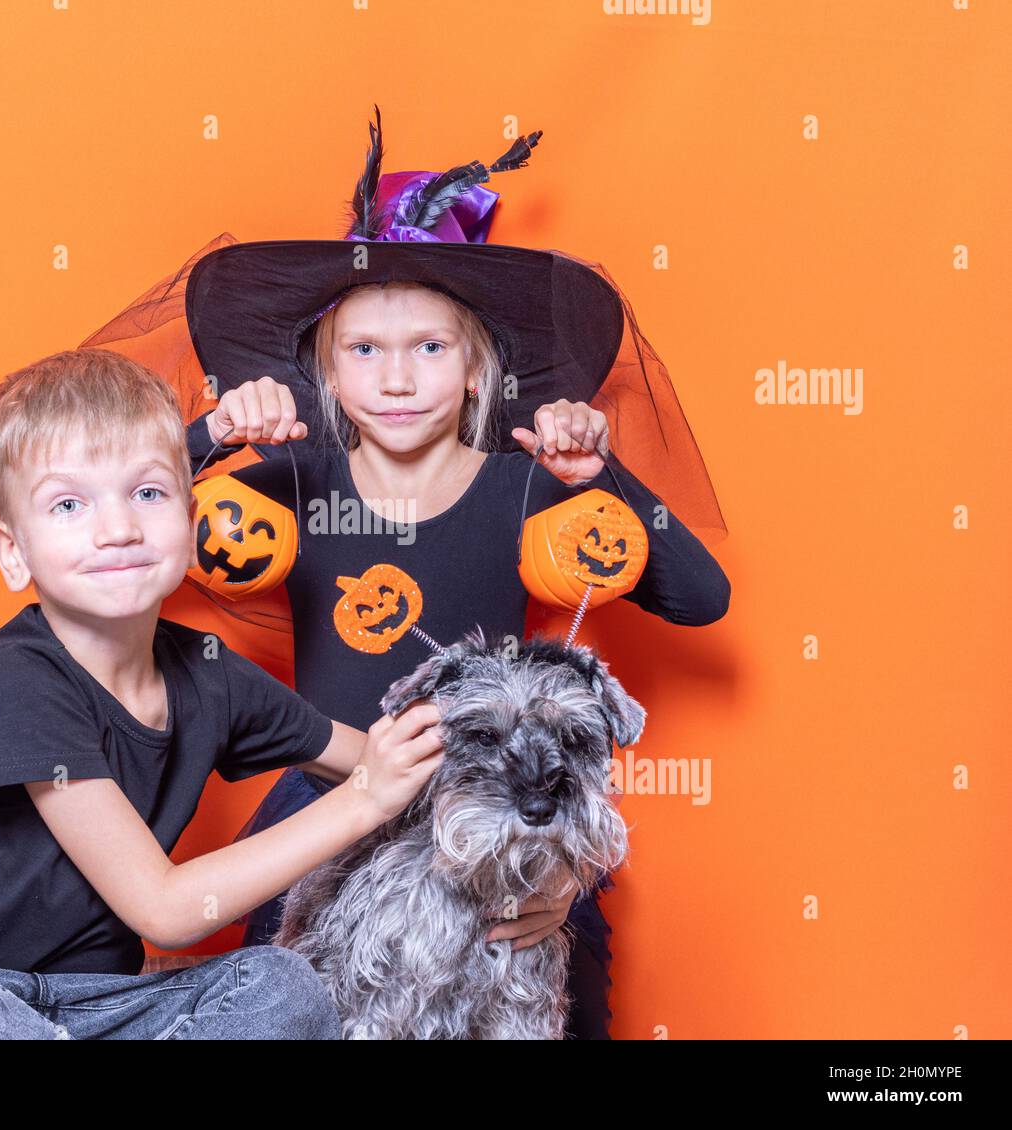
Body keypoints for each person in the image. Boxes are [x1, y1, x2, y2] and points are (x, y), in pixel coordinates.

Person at [104, 108, 732, 1039]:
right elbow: (110, 535)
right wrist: (212, 435)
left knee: (558, 986)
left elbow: (700, 595)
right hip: (332, 796)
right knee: (280, 1008)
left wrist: (601, 475)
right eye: (366, 351)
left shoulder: (523, 489)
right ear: (327, 369)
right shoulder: (295, 478)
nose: (397, 380)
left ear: (478, 370)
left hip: (492, 796)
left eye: (430, 349)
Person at [0, 348, 445, 1040]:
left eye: (147, 493)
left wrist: (542, 875)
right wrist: (362, 801)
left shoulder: (208, 672)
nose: (117, 529)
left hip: (103, 1009)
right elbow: (163, 910)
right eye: (69, 504)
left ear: (190, 514)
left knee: (283, 984)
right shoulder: (18, 680)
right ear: (12, 551)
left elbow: (395, 767)